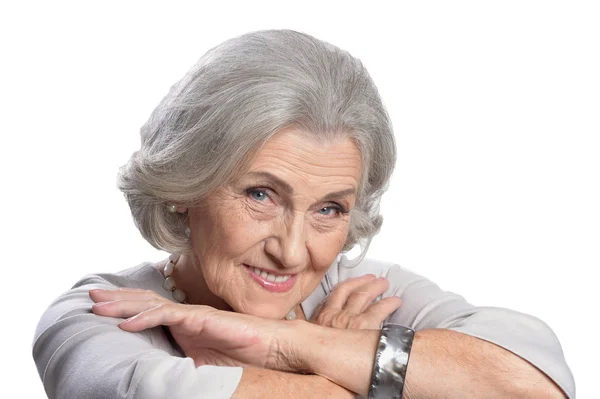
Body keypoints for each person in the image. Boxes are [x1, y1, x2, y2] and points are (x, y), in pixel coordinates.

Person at [32, 29, 574, 399]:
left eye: (329, 209)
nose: (292, 251)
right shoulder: (100, 315)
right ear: (185, 185)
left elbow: (535, 385)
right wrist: (371, 373)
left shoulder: (363, 292)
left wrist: (291, 345)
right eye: (261, 195)